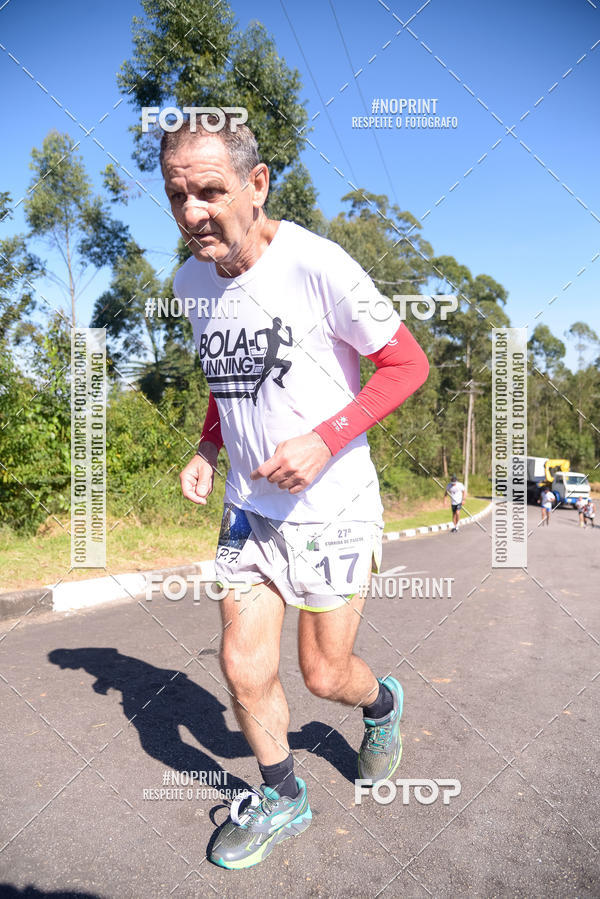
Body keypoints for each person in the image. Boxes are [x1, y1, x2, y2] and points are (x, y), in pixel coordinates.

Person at [164, 114, 429, 869]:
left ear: (256, 184)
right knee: (243, 668)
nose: (192, 213)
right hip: (250, 509)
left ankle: (381, 704)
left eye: (209, 191)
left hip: (331, 508)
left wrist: (325, 437)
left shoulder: (318, 264)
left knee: (322, 675)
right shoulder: (190, 280)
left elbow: (406, 365)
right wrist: (209, 446)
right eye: (177, 195)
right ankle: (283, 794)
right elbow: (227, 377)